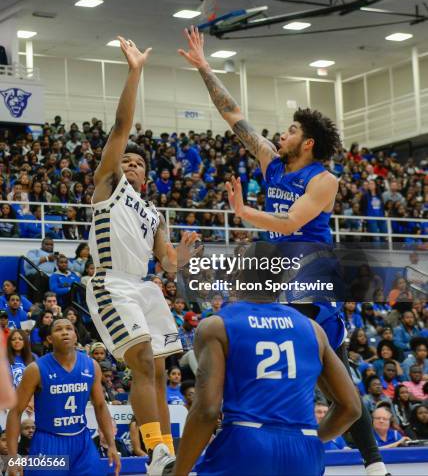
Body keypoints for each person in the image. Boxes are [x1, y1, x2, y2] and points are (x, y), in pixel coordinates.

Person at [178, 27, 389, 475]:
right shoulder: (272, 161)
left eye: (292, 129)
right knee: (237, 333)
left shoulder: (323, 179)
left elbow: (292, 224)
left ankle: (373, 463)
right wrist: (206, 69)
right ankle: (242, 425)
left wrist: (244, 211)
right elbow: (235, 118)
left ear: (307, 142)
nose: (283, 133)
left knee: (340, 374)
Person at [85, 36, 198, 473]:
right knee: (143, 365)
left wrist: (182, 257)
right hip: (112, 282)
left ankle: (168, 453)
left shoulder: (156, 212)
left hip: (146, 287)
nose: (130, 164)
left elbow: (168, 264)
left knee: (160, 369)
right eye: (126, 160)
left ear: (147, 177)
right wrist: (135, 72)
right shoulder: (108, 187)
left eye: (138, 164)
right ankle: (155, 452)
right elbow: (120, 128)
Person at [172, 242, 361, 476]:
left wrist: (178, 472)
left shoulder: (216, 326)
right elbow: (351, 407)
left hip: (245, 443)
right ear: (283, 280)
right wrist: (309, 438)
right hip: (304, 451)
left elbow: (207, 411)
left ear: (239, 274)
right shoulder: (314, 330)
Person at [6, 318, 121, 476]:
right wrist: (13, 459)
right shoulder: (35, 369)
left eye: (69, 328)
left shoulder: (91, 366)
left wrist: (111, 445)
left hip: (82, 442)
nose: (65, 332)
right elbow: (15, 411)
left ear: (75, 336)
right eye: (58, 329)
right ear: (50, 339)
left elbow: (100, 405)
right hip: (48, 443)